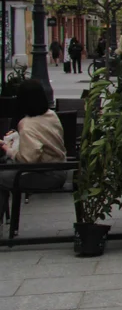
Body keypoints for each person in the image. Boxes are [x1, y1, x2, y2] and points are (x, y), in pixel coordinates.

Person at [0, 79, 69, 218]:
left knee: (2, 177)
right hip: (61, 170)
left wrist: (9, 150)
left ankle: (7, 222)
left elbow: (28, 159)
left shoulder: (27, 125)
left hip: (46, 175)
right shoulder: (51, 115)